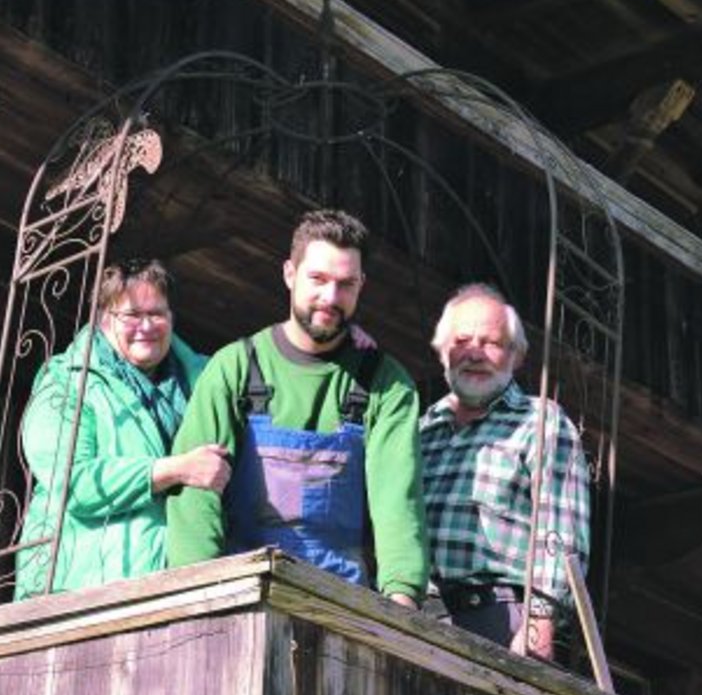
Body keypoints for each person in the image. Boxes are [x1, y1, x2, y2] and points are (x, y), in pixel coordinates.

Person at [166, 209, 429, 607]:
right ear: (290, 274)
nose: (330, 297)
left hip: (343, 604)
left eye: (346, 284)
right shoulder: (234, 366)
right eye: (318, 279)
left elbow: (398, 497)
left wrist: (402, 596)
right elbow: (195, 495)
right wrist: (196, 594)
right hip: (239, 596)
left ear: (362, 286)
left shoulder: (386, 384)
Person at [14, 260, 231, 598]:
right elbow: (74, 481)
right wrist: (173, 470)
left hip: (173, 583)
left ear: (171, 319)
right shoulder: (66, 381)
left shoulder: (207, 381)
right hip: (76, 590)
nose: (146, 326)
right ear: (104, 321)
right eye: (131, 315)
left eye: (157, 314)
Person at [420, 283, 591, 660]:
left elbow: (560, 534)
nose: (475, 353)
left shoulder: (541, 421)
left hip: (498, 620)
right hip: (421, 618)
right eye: (462, 340)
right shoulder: (423, 430)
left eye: (492, 343)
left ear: (516, 357)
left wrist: (537, 624)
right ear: (442, 351)